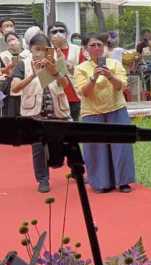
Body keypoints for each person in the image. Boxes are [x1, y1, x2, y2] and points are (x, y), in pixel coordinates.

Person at [73, 33, 136, 193]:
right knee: (96, 148)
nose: (96, 48)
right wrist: (93, 78)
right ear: (85, 48)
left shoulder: (114, 64)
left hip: (116, 108)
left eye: (99, 45)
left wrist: (110, 76)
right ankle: (102, 183)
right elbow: (84, 92)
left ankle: (123, 182)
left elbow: (121, 86)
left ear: (105, 47)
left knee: (121, 145)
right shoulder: (80, 68)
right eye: (92, 45)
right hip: (92, 112)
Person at [10, 33, 72, 193]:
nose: (39, 53)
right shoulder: (23, 65)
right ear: (30, 49)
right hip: (34, 113)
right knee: (38, 148)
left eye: (43, 49)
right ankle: (43, 180)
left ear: (48, 49)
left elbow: (65, 84)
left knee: (68, 142)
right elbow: (14, 88)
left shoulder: (56, 63)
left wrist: (55, 70)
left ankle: (76, 171)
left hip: (58, 110)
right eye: (36, 49)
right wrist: (33, 75)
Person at [48, 22, 85, 121]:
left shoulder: (77, 50)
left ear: (67, 34)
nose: (58, 34)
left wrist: (70, 66)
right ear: (49, 35)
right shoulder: (47, 51)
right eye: (54, 32)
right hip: (55, 97)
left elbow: (84, 72)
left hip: (74, 96)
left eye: (61, 31)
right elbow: (44, 77)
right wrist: (60, 64)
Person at [0, 32, 29, 117]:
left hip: (25, 85)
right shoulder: (3, 56)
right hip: (9, 87)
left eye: (13, 39)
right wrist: (8, 68)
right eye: (8, 41)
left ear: (19, 40)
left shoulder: (27, 53)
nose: (12, 42)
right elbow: (1, 72)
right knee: (10, 112)